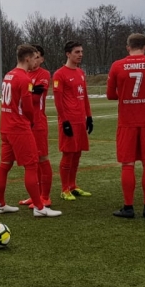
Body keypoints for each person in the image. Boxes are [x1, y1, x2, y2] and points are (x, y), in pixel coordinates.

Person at [0, 45, 62, 218]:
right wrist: (31, 121)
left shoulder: (8, 75)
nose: (35, 62)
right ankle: (39, 207)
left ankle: (0, 204)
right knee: (31, 165)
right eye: (33, 58)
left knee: (4, 165)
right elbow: (28, 106)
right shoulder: (24, 78)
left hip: (5, 126)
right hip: (19, 127)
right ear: (27, 59)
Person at [106, 33, 145, 219]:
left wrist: (126, 96)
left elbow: (110, 94)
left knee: (128, 164)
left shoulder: (117, 65)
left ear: (128, 48)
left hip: (127, 122)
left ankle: (128, 207)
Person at [52, 41, 94, 202]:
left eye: (81, 51)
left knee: (77, 153)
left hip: (80, 120)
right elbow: (58, 101)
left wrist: (89, 116)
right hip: (69, 120)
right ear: (68, 54)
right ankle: (64, 189)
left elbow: (85, 97)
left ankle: (73, 185)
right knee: (68, 154)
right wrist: (64, 121)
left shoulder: (81, 73)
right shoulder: (59, 74)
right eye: (77, 52)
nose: (80, 54)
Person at [18, 45, 54, 209]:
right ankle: (35, 195)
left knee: (42, 158)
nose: (35, 60)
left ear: (42, 59)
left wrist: (27, 91)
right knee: (31, 161)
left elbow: (34, 98)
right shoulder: (23, 74)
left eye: (38, 57)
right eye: (33, 57)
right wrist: (30, 90)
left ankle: (45, 197)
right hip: (25, 122)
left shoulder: (44, 74)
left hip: (38, 122)